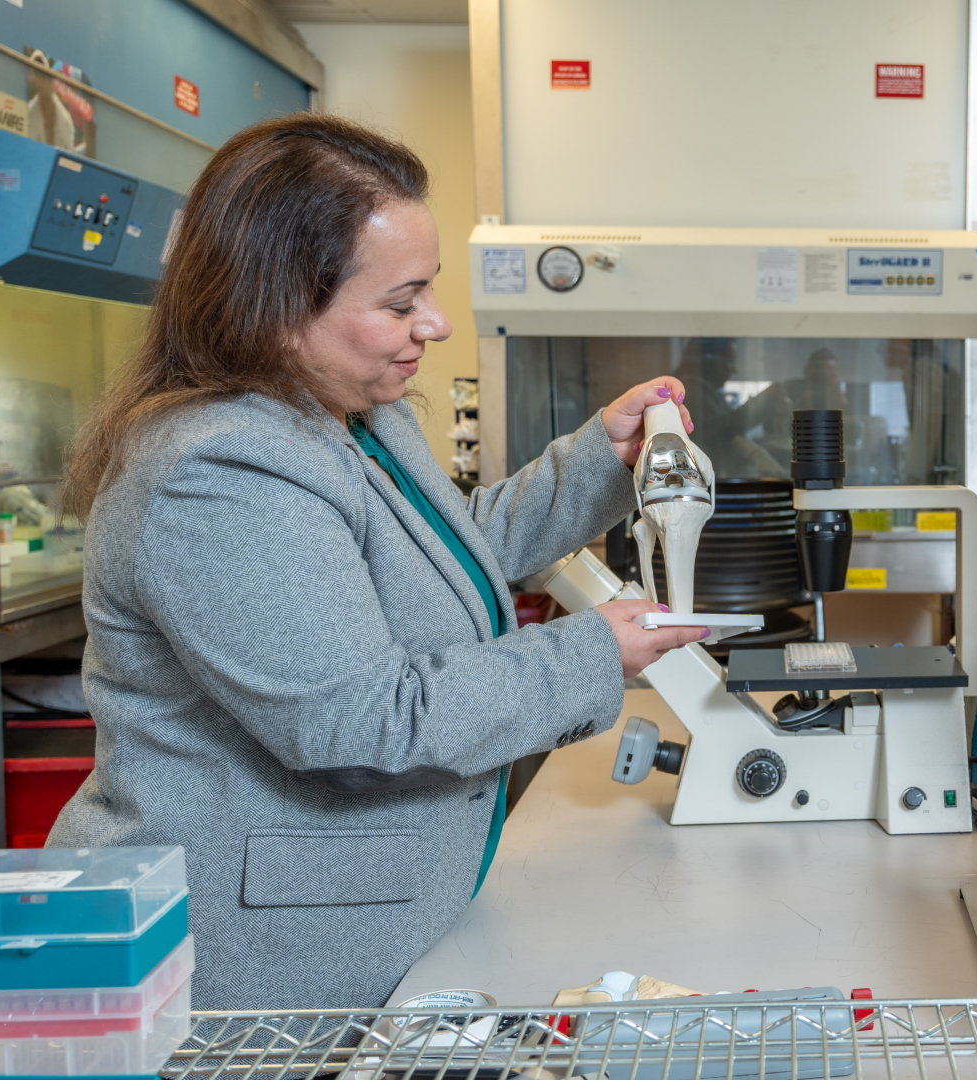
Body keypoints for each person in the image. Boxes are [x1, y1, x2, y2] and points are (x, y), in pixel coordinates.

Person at [48, 114, 706, 1010]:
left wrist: (601, 457)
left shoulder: (348, 417)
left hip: (383, 924)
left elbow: (440, 554)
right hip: (257, 976)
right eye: (401, 302)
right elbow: (360, 725)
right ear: (274, 305)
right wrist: (591, 653)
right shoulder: (219, 471)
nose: (433, 325)